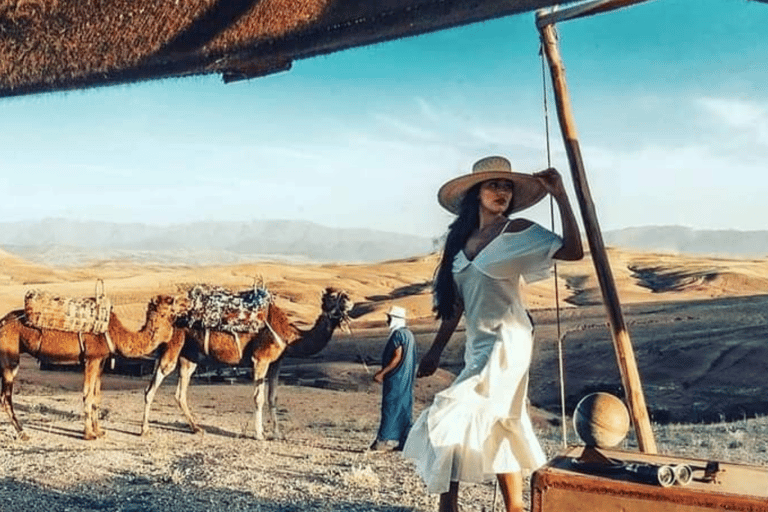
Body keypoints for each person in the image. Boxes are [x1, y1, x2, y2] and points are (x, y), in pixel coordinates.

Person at [402, 156, 583, 512]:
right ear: (476, 193)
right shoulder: (460, 242)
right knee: (499, 421)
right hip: (478, 346)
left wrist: (560, 195)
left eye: (507, 186)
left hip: (508, 344)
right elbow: (456, 307)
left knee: (449, 412)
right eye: (493, 185)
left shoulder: (516, 232)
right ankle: (515, 505)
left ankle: (448, 506)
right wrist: (435, 352)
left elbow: (574, 251)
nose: (502, 191)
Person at [370, 305, 417, 452]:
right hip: (406, 378)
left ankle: (382, 440)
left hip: (396, 378)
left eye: (389, 318)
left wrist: (382, 373)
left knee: (390, 407)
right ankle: (405, 442)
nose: (387, 321)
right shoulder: (409, 334)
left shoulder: (398, 335)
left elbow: (397, 357)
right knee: (404, 407)